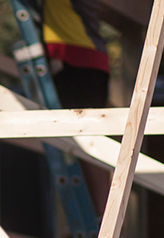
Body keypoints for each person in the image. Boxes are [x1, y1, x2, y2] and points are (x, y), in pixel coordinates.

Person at [40, 0, 111, 213]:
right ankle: (100, 211)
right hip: (87, 57)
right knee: (86, 139)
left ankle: (103, 212)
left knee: (87, 139)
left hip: (76, 56)